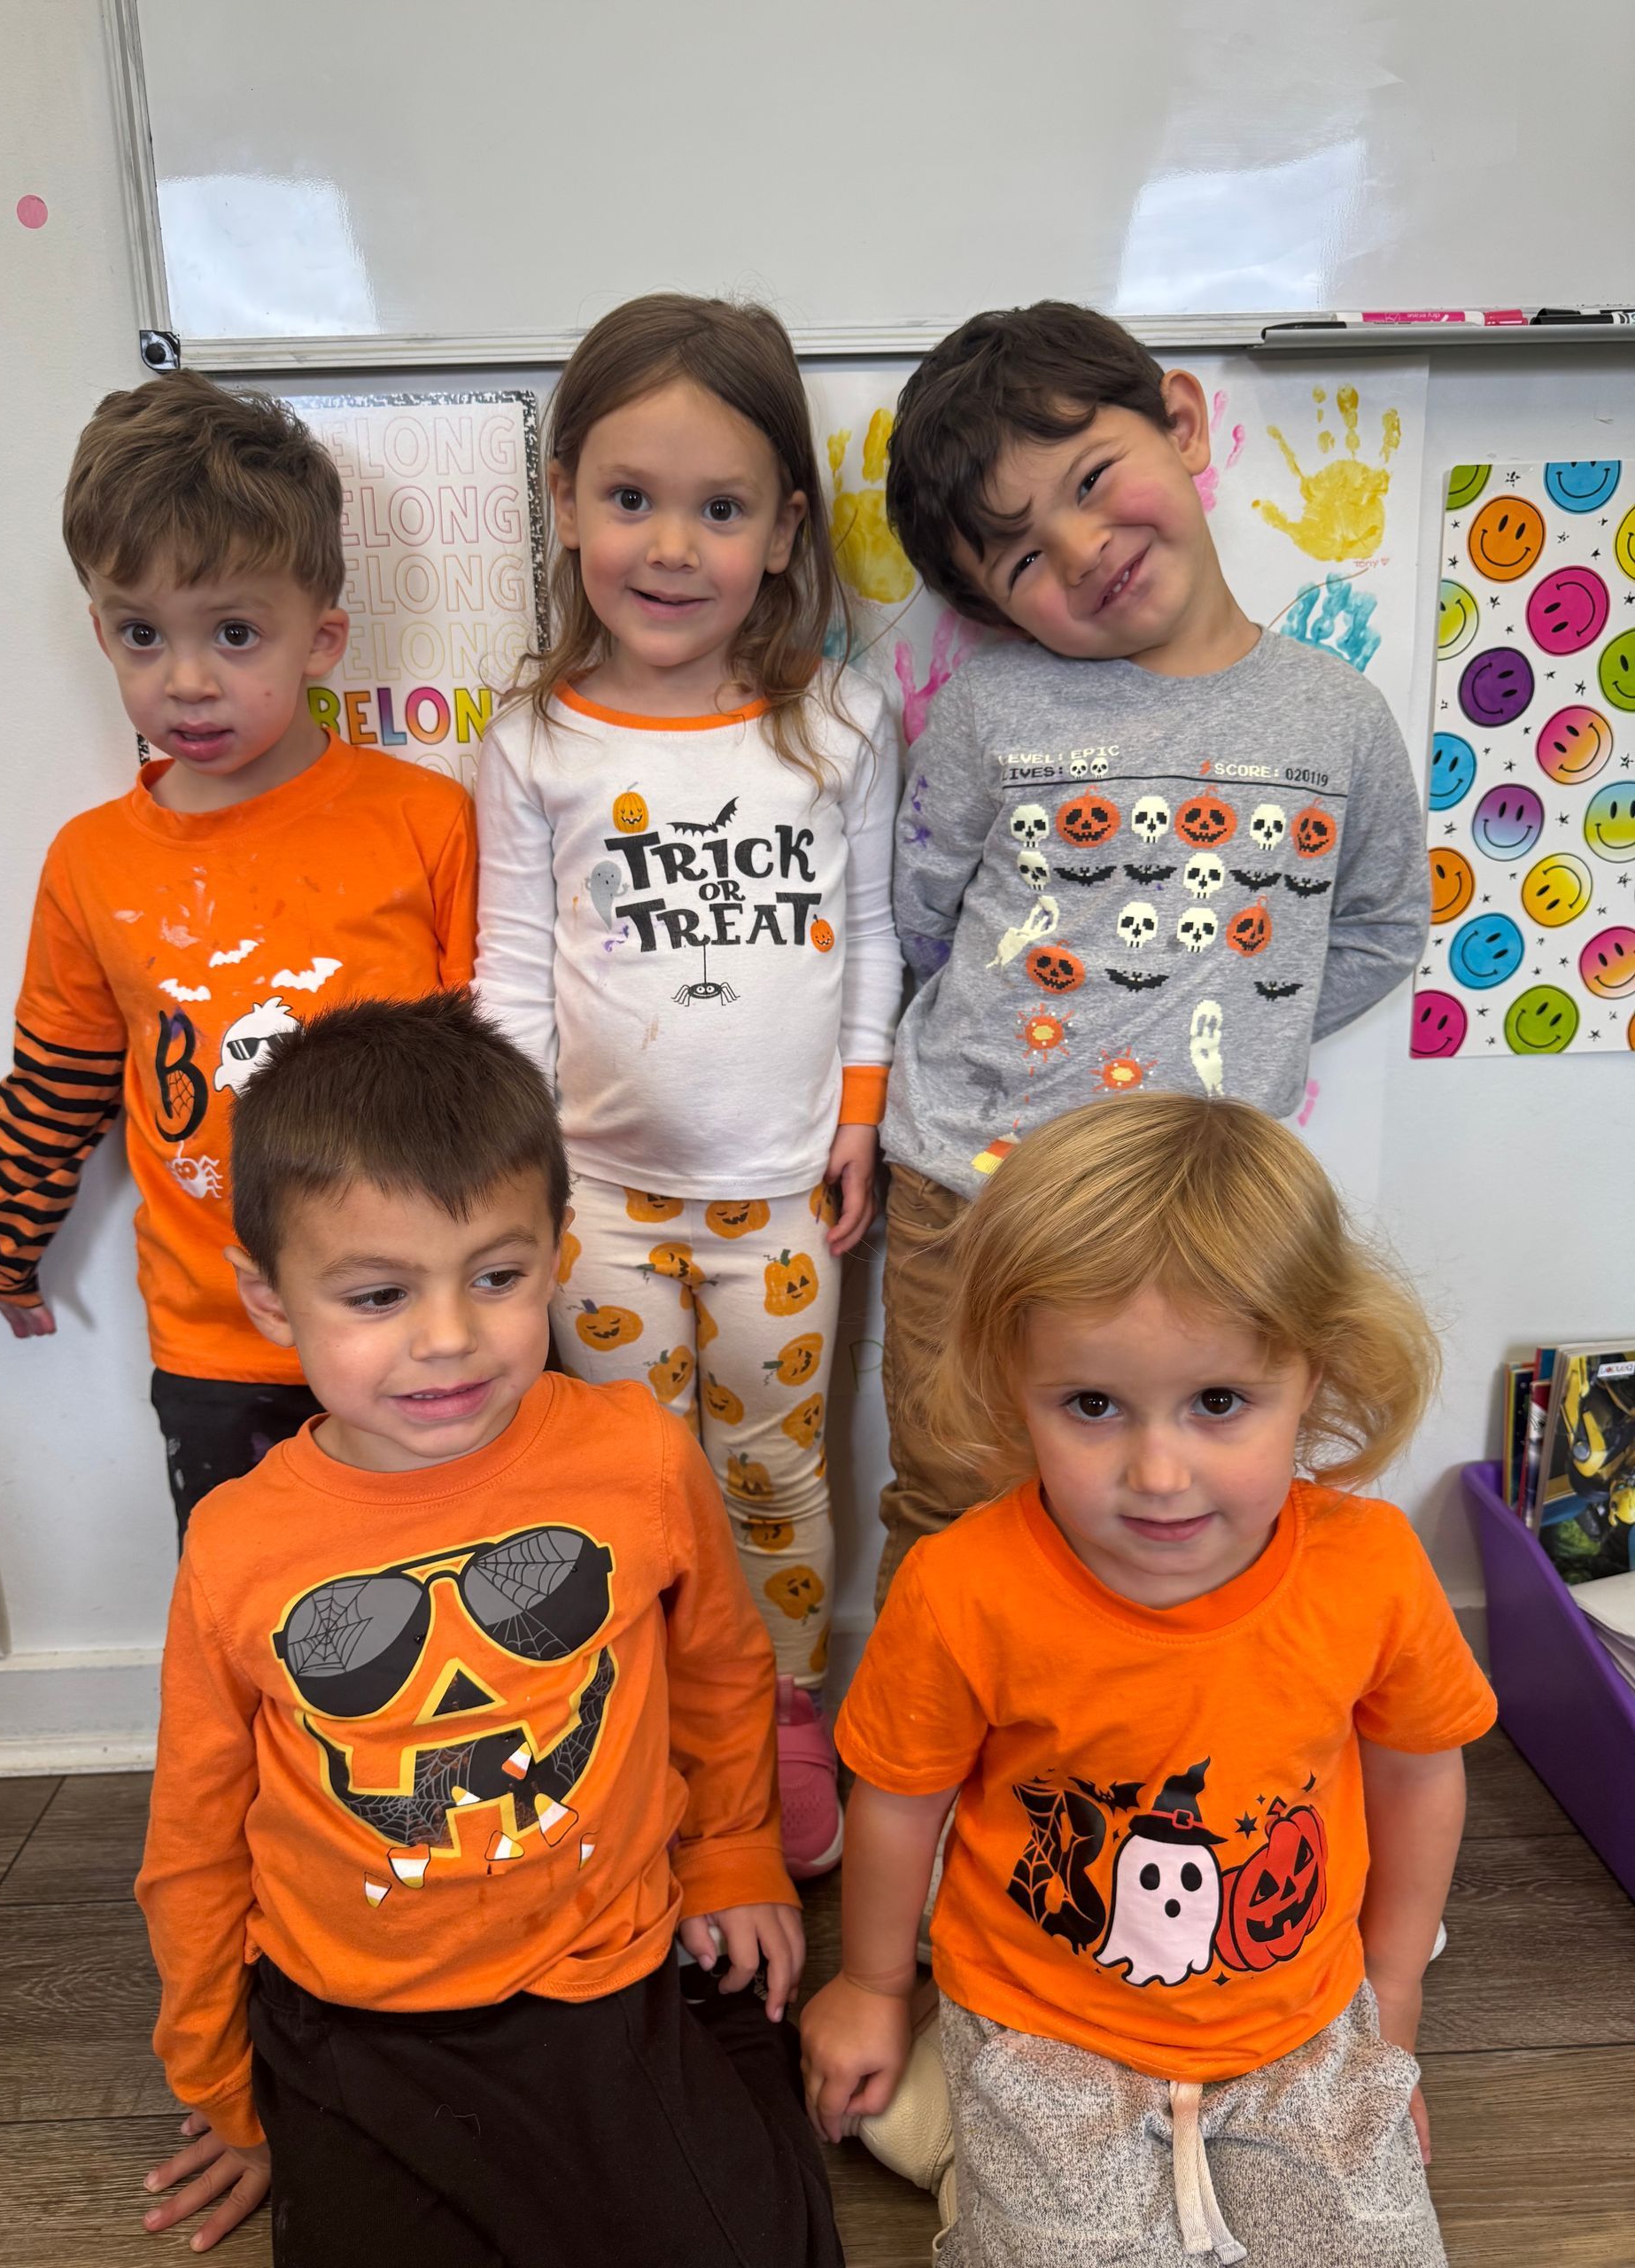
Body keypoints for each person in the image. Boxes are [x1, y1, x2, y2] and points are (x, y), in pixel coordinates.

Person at [135, 989, 841, 2267]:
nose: (449, 1340)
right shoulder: (238, 1543)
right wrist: (224, 2093)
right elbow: (192, 1832)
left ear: (559, 1252)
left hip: (607, 1973)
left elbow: (725, 1669)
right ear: (272, 1298)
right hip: (351, 2014)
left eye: (498, 1276)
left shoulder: (634, 1455)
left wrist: (738, 1858)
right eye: (377, 1296)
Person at [802, 1091, 1495, 2266]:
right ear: (1012, 1384)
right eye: (1092, 1406)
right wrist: (870, 1984)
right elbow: (899, 1800)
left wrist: (1389, 2012)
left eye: (1218, 1402)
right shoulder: (962, 1586)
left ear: (1311, 1378)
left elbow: (1422, 1780)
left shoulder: (1371, 1566)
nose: (1159, 1471)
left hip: (1306, 2016)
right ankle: (951, 2113)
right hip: (1040, 2016)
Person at [872, 302, 1430, 1598]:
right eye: (1017, 560)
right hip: (974, 1188)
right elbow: (923, 916)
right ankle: (914, 1775)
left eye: (1088, 480)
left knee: (1172, 1520)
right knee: (958, 1498)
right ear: (985, 604)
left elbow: (1384, 924)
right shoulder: (989, 708)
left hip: (1197, 1218)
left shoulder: (1338, 717)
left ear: (1180, 424)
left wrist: (1248, 1013)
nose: (1080, 549)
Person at [476, 293, 903, 1876]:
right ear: (566, 501)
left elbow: (865, 935)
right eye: (631, 499)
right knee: (626, 1468)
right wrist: (517, 1181)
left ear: (787, 529)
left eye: (720, 509)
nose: (671, 547)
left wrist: (858, 1120)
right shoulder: (534, 741)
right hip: (591, 1204)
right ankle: (656, 1714)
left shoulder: (838, 724)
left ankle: (785, 1706)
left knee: (777, 1473)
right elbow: (510, 972)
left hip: (781, 1194)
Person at [0, 370, 476, 1537]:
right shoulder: (92, 864)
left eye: (233, 633)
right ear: (100, 629)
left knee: (439, 1601)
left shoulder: (423, 822)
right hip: (216, 1339)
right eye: (143, 633)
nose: (185, 679)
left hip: (418, 1323)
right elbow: (63, 1076)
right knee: (255, 1616)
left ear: (320, 638)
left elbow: (495, 1068)